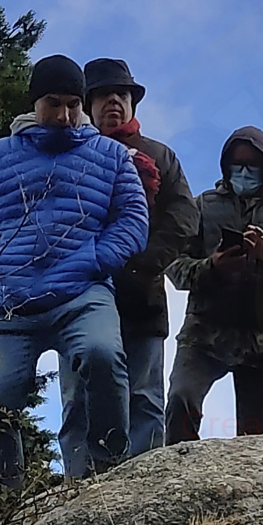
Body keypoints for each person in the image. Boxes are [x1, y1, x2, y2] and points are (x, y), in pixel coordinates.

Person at [0, 55, 148, 492]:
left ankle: (108, 476)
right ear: (34, 103)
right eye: (53, 104)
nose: (63, 116)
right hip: (11, 304)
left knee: (103, 356)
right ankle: (6, 504)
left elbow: (133, 217)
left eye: (73, 105)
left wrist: (97, 257)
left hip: (83, 295)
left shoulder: (111, 155)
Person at [50, 58, 199, 478]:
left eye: (123, 94)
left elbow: (184, 217)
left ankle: (142, 489)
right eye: (102, 94)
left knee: (145, 397)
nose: (114, 100)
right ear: (87, 104)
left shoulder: (159, 156)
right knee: (79, 398)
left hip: (142, 296)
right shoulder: (65, 152)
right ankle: (80, 488)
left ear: (133, 102)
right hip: (77, 295)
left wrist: (143, 261)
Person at [164, 126, 263, 444]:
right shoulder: (202, 206)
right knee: (181, 403)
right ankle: (178, 485)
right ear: (225, 165)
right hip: (203, 333)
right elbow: (174, 263)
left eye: (252, 164)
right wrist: (212, 266)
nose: (244, 171)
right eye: (237, 163)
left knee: (256, 441)